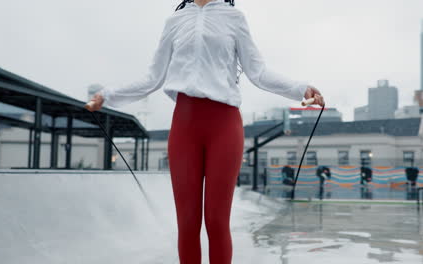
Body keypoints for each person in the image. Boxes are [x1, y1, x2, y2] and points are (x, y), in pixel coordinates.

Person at [85, 0, 325, 263]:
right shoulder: (174, 22)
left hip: (224, 126)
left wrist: (302, 89)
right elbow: (152, 78)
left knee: (216, 220)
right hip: (184, 128)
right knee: (187, 222)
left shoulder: (234, 18)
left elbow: (259, 72)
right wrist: (106, 95)